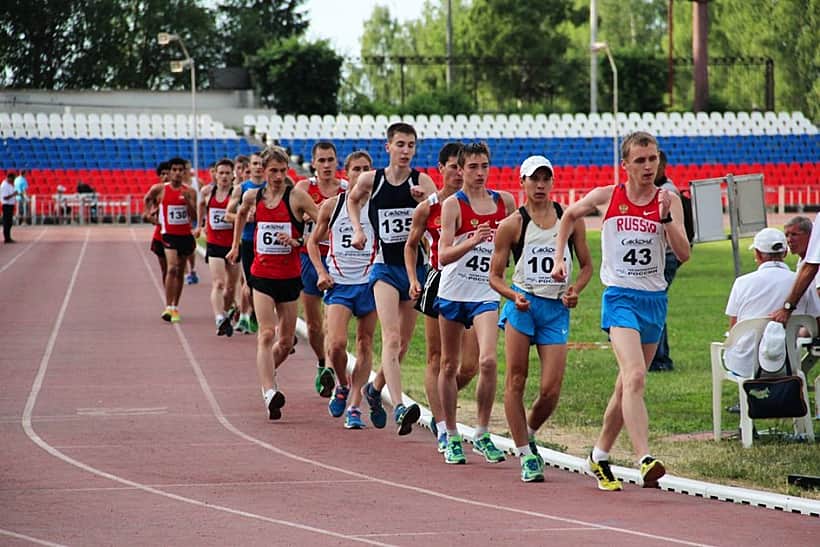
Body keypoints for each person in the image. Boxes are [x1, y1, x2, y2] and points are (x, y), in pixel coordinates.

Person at [552, 131, 691, 490]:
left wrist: (666, 220)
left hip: (654, 301)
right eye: (640, 160)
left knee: (624, 387)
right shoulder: (608, 196)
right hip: (620, 298)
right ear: (625, 164)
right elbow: (568, 216)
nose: (648, 166)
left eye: (653, 159)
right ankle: (645, 458)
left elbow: (684, 253)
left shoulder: (668, 200)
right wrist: (559, 257)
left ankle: (598, 455)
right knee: (636, 375)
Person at [489, 155, 593, 482]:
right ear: (522, 182)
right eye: (534, 179)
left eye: (546, 178)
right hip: (523, 306)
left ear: (552, 182)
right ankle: (525, 454)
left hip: (555, 309)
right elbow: (494, 277)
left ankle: (528, 432)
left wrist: (575, 290)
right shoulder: (512, 225)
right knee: (516, 380)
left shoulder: (570, 219)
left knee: (551, 389)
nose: (540, 185)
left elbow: (587, 267)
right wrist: (512, 296)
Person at [347, 122, 437, 435]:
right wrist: (358, 229)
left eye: (411, 145)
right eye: (400, 144)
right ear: (388, 147)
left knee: (403, 345)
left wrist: (424, 201)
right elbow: (352, 200)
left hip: (415, 270)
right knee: (392, 337)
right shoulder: (371, 180)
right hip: (384, 267)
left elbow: (440, 215)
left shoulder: (422, 181)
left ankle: (374, 390)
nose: (405, 150)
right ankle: (398, 405)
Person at [434, 141, 516, 464]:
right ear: (460, 169)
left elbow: (516, 242)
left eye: (484, 166)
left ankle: (481, 432)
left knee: (488, 361)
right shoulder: (453, 205)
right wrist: (473, 241)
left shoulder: (503, 202)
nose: (479, 173)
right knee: (449, 365)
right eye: (472, 167)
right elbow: (443, 255)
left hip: (485, 292)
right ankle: (452, 433)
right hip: (454, 292)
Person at [226, 146, 319, 421]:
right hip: (262, 275)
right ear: (263, 171)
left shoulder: (296, 197)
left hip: (289, 277)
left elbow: (322, 223)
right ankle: (269, 392)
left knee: (286, 341)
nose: (278, 176)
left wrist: (299, 241)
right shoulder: (252, 196)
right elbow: (240, 214)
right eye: (273, 171)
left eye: (282, 171)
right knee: (266, 333)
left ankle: (266, 372)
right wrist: (235, 246)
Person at [405, 142, 479, 452]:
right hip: (439, 281)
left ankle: (443, 395)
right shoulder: (428, 207)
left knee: (471, 365)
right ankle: (442, 426)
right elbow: (411, 245)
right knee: (437, 358)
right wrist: (413, 279)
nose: (459, 173)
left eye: (463, 167)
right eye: (453, 167)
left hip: (473, 284)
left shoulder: (478, 203)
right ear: (441, 169)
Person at [307, 150, 376, 428]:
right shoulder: (332, 206)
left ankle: (355, 406)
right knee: (336, 344)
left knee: (365, 344)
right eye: (356, 169)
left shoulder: (378, 206)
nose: (361, 174)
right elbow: (313, 243)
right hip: (340, 284)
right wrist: (321, 272)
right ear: (347, 174)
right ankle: (343, 384)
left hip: (369, 284)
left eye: (366, 169)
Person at [724, 227, 820, 377]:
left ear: (757, 253)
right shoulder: (802, 284)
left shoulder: (742, 283)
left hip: (745, 366)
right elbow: (815, 323)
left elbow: (734, 328)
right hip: (788, 364)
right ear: (785, 252)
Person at [295, 141, 346, 398]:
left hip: (339, 260)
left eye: (330, 160)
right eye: (321, 160)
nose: (326, 165)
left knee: (330, 319)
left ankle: (329, 368)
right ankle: (321, 361)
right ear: (313, 163)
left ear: (337, 162)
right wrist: (302, 217)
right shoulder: (304, 189)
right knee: (314, 325)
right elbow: (290, 218)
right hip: (309, 258)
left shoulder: (347, 189)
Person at [143, 157, 198, 323]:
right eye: (174, 170)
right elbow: (147, 198)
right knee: (172, 268)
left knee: (180, 271)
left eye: (181, 170)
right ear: (170, 171)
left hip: (185, 235)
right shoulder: (160, 189)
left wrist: (188, 202)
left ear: (185, 172)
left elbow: (194, 217)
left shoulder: (190, 191)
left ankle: (175, 306)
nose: (177, 173)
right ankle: (168, 306)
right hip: (168, 235)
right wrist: (148, 213)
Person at [196, 158, 240, 337]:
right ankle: (219, 317)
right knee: (219, 282)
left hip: (233, 245)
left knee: (231, 287)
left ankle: (226, 314)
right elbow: (200, 205)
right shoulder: (207, 191)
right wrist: (200, 224)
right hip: (214, 244)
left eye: (227, 173)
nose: (224, 176)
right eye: (221, 173)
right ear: (215, 174)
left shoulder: (237, 194)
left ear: (233, 175)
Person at [649, 150, 683, 372]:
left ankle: (659, 358)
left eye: (653, 162)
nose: (648, 168)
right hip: (658, 256)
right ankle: (656, 356)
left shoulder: (667, 193)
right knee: (652, 303)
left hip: (665, 256)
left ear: (662, 166)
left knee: (654, 303)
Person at [226, 152, 266, 334]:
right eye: (255, 163)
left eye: (261, 164)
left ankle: (261, 317)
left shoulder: (272, 187)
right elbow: (228, 215)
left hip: (267, 243)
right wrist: (244, 217)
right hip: (249, 240)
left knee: (268, 283)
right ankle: (254, 314)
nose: (258, 167)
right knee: (250, 285)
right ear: (249, 166)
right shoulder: (241, 189)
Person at [144, 161, 170, 281]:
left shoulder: (181, 189)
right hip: (160, 234)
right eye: (163, 174)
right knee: (165, 269)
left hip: (177, 233)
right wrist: (149, 214)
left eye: (168, 173)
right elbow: (147, 199)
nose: (165, 176)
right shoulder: (157, 190)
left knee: (175, 269)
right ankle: (168, 292)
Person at [184, 161, 200, 285]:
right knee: (181, 248)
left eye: (188, 168)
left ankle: (193, 269)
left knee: (190, 247)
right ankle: (186, 273)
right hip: (181, 220)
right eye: (184, 169)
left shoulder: (197, 182)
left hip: (194, 218)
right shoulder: (178, 184)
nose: (186, 171)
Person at [2, 172, 18, 243]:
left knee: (9, 222)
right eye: (13, 179)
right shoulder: (4, 185)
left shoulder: (9, 184)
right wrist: (13, 194)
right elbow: (5, 197)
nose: (13, 180)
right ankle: (7, 238)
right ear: (9, 178)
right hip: (7, 206)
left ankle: (8, 237)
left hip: (10, 205)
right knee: (7, 222)